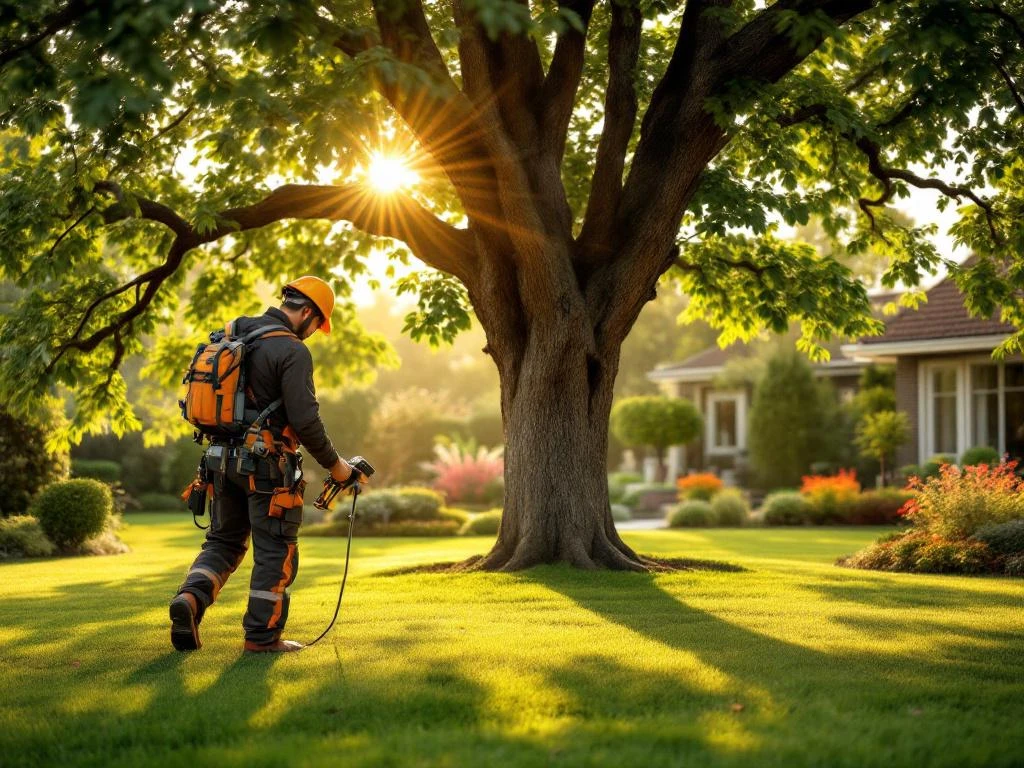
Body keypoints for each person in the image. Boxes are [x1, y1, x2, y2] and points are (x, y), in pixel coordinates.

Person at [169, 275, 368, 653]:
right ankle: (262, 639)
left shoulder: (234, 332)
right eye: (315, 325)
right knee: (274, 550)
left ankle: (190, 600)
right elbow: (306, 421)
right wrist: (337, 467)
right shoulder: (292, 351)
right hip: (265, 469)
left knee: (223, 541)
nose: (312, 333)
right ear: (307, 312)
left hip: (217, 461)